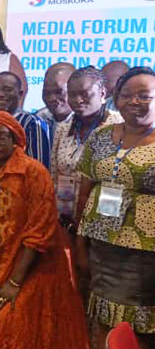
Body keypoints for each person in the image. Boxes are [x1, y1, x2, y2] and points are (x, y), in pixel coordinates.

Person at [0, 111, 89, 349]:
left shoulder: (32, 172)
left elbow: (40, 230)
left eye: (1, 137)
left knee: (6, 320)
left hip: (30, 263)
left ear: (14, 139)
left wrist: (15, 282)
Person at [75, 67, 155, 349]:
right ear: (116, 99)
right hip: (100, 246)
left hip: (144, 253)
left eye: (144, 95)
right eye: (126, 95)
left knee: (139, 322)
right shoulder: (101, 136)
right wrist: (80, 243)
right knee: (101, 314)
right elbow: (84, 192)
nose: (134, 101)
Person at [51, 67, 120, 229]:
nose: (78, 100)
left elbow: (118, 180)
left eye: (84, 94)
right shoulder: (63, 128)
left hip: (102, 220)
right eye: (72, 94)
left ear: (102, 93)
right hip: (65, 217)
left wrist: (104, 226)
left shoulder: (118, 126)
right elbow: (54, 174)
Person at [0, 71, 51, 168]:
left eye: (7, 90)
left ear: (20, 94)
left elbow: (38, 168)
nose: (0, 94)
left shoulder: (32, 123)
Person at [36, 62, 76, 138]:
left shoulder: (87, 122)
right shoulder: (38, 119)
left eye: (58, 92)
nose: (51, 98)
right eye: (46, 92)